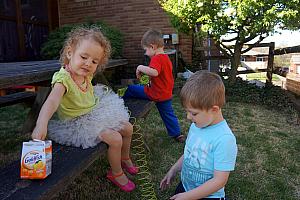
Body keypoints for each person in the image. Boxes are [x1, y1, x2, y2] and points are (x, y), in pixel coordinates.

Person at [31, 27, 138, 192]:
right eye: (83, 57)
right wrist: (41, 123)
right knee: (115, 138)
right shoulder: (63, 79)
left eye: (95, 61)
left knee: (128, 128)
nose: (88, 63)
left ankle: (124, 157)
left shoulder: (86, 73)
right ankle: (116, 173)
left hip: (93, 113)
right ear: (69, 53)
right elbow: (52, 101)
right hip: (76, 123)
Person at [160, 71, 238, 199]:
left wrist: (188, 197)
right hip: (186, 186)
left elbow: (219, 181)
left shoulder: (225, 139)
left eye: (194, 113)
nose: (188, 117)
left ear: (214, 110)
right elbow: (189, 153)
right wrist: (174, 169)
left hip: (208, 195)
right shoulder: (196, 126)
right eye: (187, 112)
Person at [123, 29, 185, 142]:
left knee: (131, 89)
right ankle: (177, 134)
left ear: (153, 47)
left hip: (155, 93)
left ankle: (121, 108)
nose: (145, 53)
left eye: (145, 50)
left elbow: (155, 72)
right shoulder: (166, 58)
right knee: (168, 114)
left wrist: (140, 67)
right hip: (165, 93)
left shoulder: (157, 58)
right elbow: (160, 76)